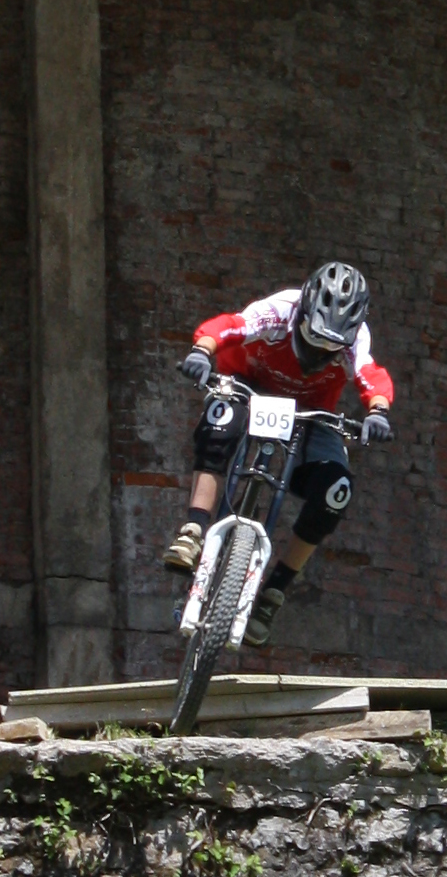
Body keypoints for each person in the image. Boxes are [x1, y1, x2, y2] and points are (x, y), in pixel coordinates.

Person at [162, 261, 393, 647]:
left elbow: (370, 374)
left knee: (337, 490)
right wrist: (202, 351)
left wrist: (378, 411)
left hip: (310, 412)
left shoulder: (357, 339)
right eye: (314, 339)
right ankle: (194, 529)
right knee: (220, 425)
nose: (318, 354)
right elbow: (230, 326)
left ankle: (274, 591)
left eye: (331, 348)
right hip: (246, 386)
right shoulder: (279, 310)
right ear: (302, 314)